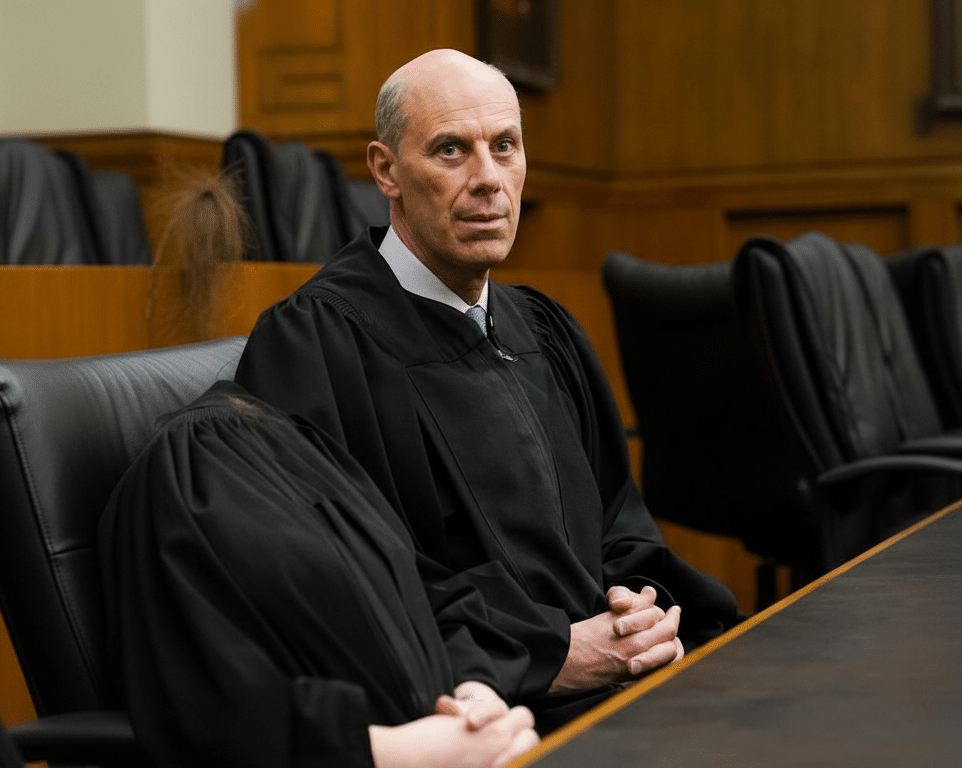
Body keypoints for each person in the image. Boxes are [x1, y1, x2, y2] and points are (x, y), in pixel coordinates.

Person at [232, 48, 743, 729]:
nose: (488, 179)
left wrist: (639, 612)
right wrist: (545, 655)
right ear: (385, 170)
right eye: (451, 150)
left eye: (505, 146)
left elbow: (620, 521)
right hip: (481, 710)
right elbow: (341, 582)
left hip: (614, 681)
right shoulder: (316, 345)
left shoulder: (544, 328)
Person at [100, 381, 539, 768]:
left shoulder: (307, 453)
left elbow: (429, 594)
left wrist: (476, 695)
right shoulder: (189, 480)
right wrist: (407, 752)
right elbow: (207, 700)